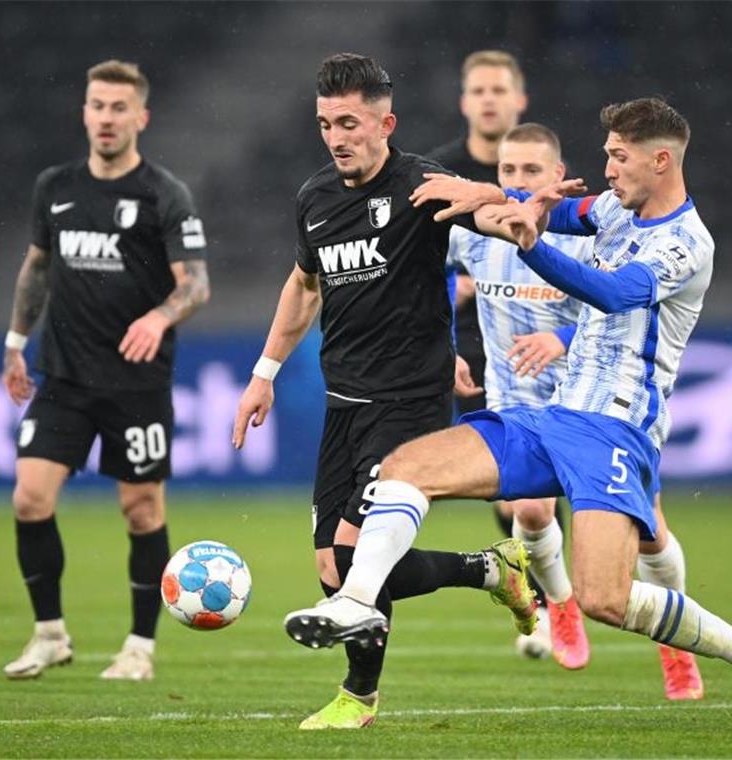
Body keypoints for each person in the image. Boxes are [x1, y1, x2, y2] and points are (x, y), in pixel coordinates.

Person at [285, 97, 732, 733]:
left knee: (605, 598)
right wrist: (494, 193)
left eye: (618, 157)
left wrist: (531, 243)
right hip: (554, 415)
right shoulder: (616, 209)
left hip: (616, 429)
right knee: (408, 465)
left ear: (660, 160)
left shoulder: (686, 242)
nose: (608, 168)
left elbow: (614, 291)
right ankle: (355, 600)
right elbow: (561, 210)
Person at [232, 53, 537, 731]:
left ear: (384, 122)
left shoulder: (422, 183)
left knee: (352, 554)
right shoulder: (315, 198)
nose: (336, 136)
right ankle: (490, 571)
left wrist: (504, 206)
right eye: (324, 124)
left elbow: (485, 211)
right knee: (330, 571)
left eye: (348, 122)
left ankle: (359, 699)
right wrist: (264, 373)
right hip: (346, 403)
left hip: (411, 402)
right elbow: (304, 284)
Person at [455, 122, 704, 697]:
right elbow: (438, 281)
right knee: (534, 510)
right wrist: (447, 341)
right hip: (515, 390)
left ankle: (676, 642)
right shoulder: (475, 232)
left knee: (650, 534)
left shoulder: (594, 234)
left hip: (592, 394)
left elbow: (620, 307)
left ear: (557, 174)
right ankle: (560, 604)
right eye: (507, 171)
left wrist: (560, 340)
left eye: (531, 172)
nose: (517, 181)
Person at [0, 60, 210, 682]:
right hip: (63, 377)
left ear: (140, 117)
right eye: (97, 105)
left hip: (136, 385)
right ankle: (49, 635)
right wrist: (15, 341)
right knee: (29, 499)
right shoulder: (55, 186)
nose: (107, 118)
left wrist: (158, 318)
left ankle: (139, 648)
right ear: (85, 112)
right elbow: (37, 267)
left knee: (141, 510)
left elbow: (195, 285)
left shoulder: (163, 194)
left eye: (120, 107)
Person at [427, 50, 572, 657]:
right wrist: (444, 336)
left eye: (498, 90)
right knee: (514, 493)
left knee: (546, 489)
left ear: (519, 101)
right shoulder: (443, 174)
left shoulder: (553, 191)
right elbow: (422, 264)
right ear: (465, 101)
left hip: (554, 347)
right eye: (478, 90)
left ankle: (551, 597)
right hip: (474, 344)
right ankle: (545, 603)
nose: (488, 99)